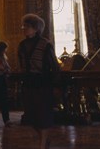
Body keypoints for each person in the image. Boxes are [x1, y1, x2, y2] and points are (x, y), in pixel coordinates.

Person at [18, 14, 60, 149]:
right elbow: (22, 65)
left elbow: (54, 66)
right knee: (31, 117)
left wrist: (55, 85)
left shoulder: (46, 44)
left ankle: (42, 144)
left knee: (43, 116)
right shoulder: (22, 45)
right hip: (28, 84)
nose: (24, 28)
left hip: (43, 85)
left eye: (28, 26)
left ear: (36, 29)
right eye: (24, 26)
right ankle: (45, 139)